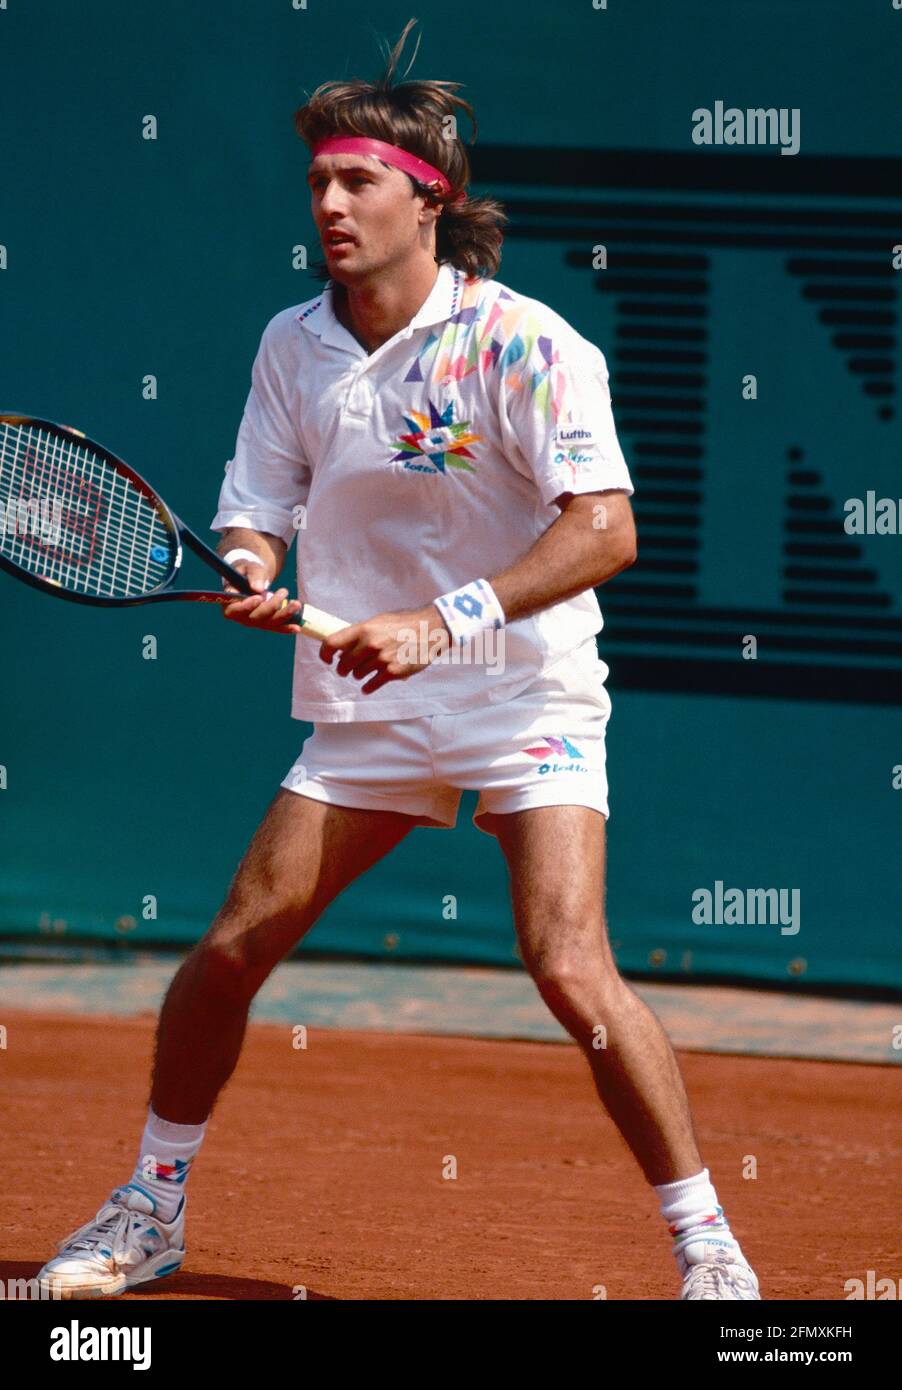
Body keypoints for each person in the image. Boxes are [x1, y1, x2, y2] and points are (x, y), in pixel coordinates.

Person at [37, 20, 760, 1301]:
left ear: (430, 198)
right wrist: (249, 568)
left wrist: (442, 618)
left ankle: (706, 1242)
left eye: (356, 180)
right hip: (366, 705)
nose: (328, 203)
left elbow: (606, 529)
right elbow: (257, 506)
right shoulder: (291, 343)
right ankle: (150, 1205)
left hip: (523, 688)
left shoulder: (527, 342)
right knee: (230, 950)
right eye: (317, 180)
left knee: (565, 961)